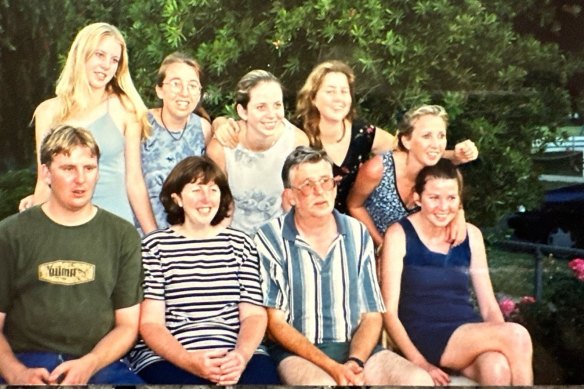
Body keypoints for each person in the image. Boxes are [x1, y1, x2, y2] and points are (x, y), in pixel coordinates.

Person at [254, 146, 433, 385]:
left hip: (357, 350)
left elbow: (371, 314)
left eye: (326, 181)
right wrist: (332, 368)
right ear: (290, 197)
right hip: (297, 354)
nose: (320, 191)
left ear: (335, 186)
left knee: (418, 381)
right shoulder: (269, 237)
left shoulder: (356, 232)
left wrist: (354, 362)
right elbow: (275, 324)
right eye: (307, 184)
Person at [0, 125, 143, 384]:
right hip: (26, 359)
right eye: (68, 168)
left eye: (89, 168)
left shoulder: (122, 235)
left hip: (97, 361)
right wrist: (16, 374)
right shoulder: (10, 234)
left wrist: (90, 363)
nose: (81, 179)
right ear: (46, 172)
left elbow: (127, 326)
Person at [380, 159, 533, 385]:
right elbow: (388, 311)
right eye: (434, 198)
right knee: (517, 336)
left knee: (496, 366)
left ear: (459, 199)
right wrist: (420, 362)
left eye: (451, 198)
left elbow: (489, 306)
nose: (443, 207)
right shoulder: (399, 234)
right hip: (424, 333)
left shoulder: (471, 235)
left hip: (467, 334)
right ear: (417, 198)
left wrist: (499, 341)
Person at [128, 156, 279, 384]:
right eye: (196, 190)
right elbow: (151, 323)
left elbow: (254, 315)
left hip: (235, 352)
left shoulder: (240, 244)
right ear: (177, 198)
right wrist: (189, 360)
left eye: (213, 189)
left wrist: (241, 355)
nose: (206, 198)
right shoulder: (154, 246)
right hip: (171, 355)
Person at [19, 22, 157, 234]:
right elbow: (44, 182)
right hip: (62, 226)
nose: (106, 65)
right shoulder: (47, 113)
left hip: (113, 226)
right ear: (81, 54)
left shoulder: (125, 108)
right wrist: (34, 234)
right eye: (99, 55)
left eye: (114, 60)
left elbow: (134, 181)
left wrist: (154, 238)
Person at [294, 60, 478, 213]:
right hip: (308, 218)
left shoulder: (362, 133)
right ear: (313, 97)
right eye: (330, 91)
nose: (338, 98)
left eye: (344, 91)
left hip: (351, 227)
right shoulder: (297, 136)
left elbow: (412, 148)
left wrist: (454, 156)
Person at [347, 104, 476, 247]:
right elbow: (354, 206)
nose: (436, 144)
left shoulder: (440, 172)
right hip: (370, 245)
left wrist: (459, 213)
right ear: (406, 141)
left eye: (441, 136)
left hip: (411, 252)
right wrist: (383, 246)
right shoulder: (378, 168)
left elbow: (451, 199)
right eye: (427, 136)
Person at [206, 69, 309, 235]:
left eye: (277, 105)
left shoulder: (296, 142)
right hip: (234, 240)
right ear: (242, 111)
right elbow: (214, 207)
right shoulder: (222, 147)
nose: (271, 115)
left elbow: (299, 202)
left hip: (281, 239)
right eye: (261, 107)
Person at [141, 52, 212, 229]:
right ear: (159, 89)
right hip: (145, 231)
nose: (184, 92)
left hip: (188, 236)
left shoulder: (203, 128)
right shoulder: (142, 125)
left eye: (192, 85)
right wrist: (153, 236)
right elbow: (132, 183)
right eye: (175, 84)